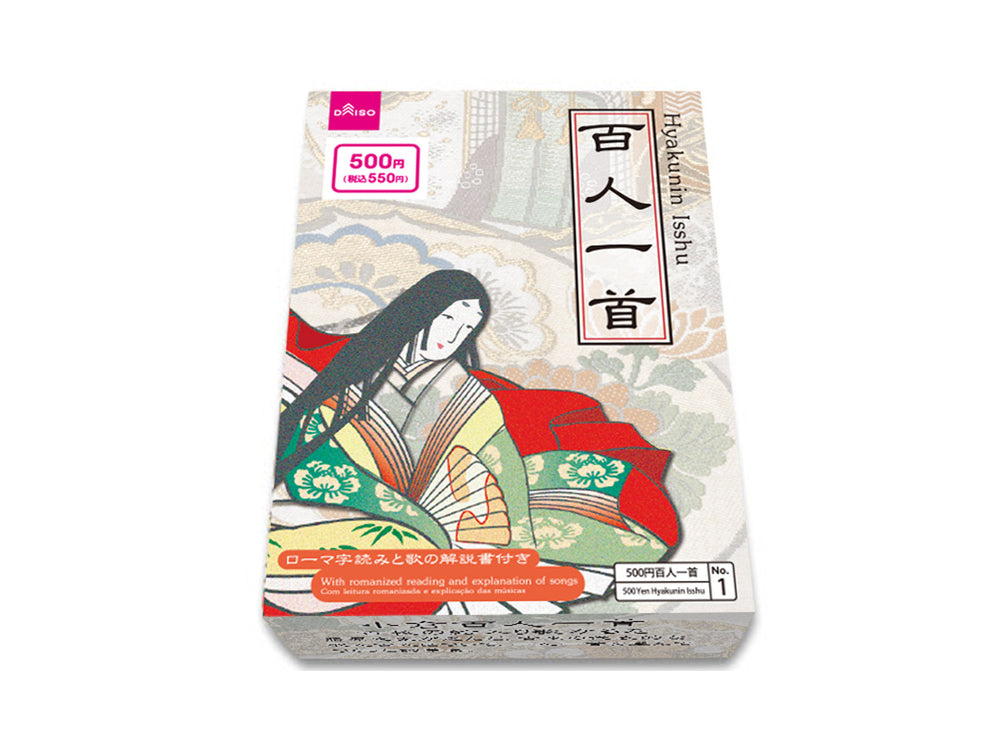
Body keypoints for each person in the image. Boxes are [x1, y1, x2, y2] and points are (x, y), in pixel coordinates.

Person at [265, 269, 679, 616]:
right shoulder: (356, 367)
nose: (452, 335)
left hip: (456, 504)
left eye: (466, 327)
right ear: (419, 313)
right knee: (408, 541)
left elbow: (497, 460)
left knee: (595, 485)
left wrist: (513, 532)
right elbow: (310, 442)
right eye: (448, 319)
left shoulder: (461, 387)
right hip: (360, 491)